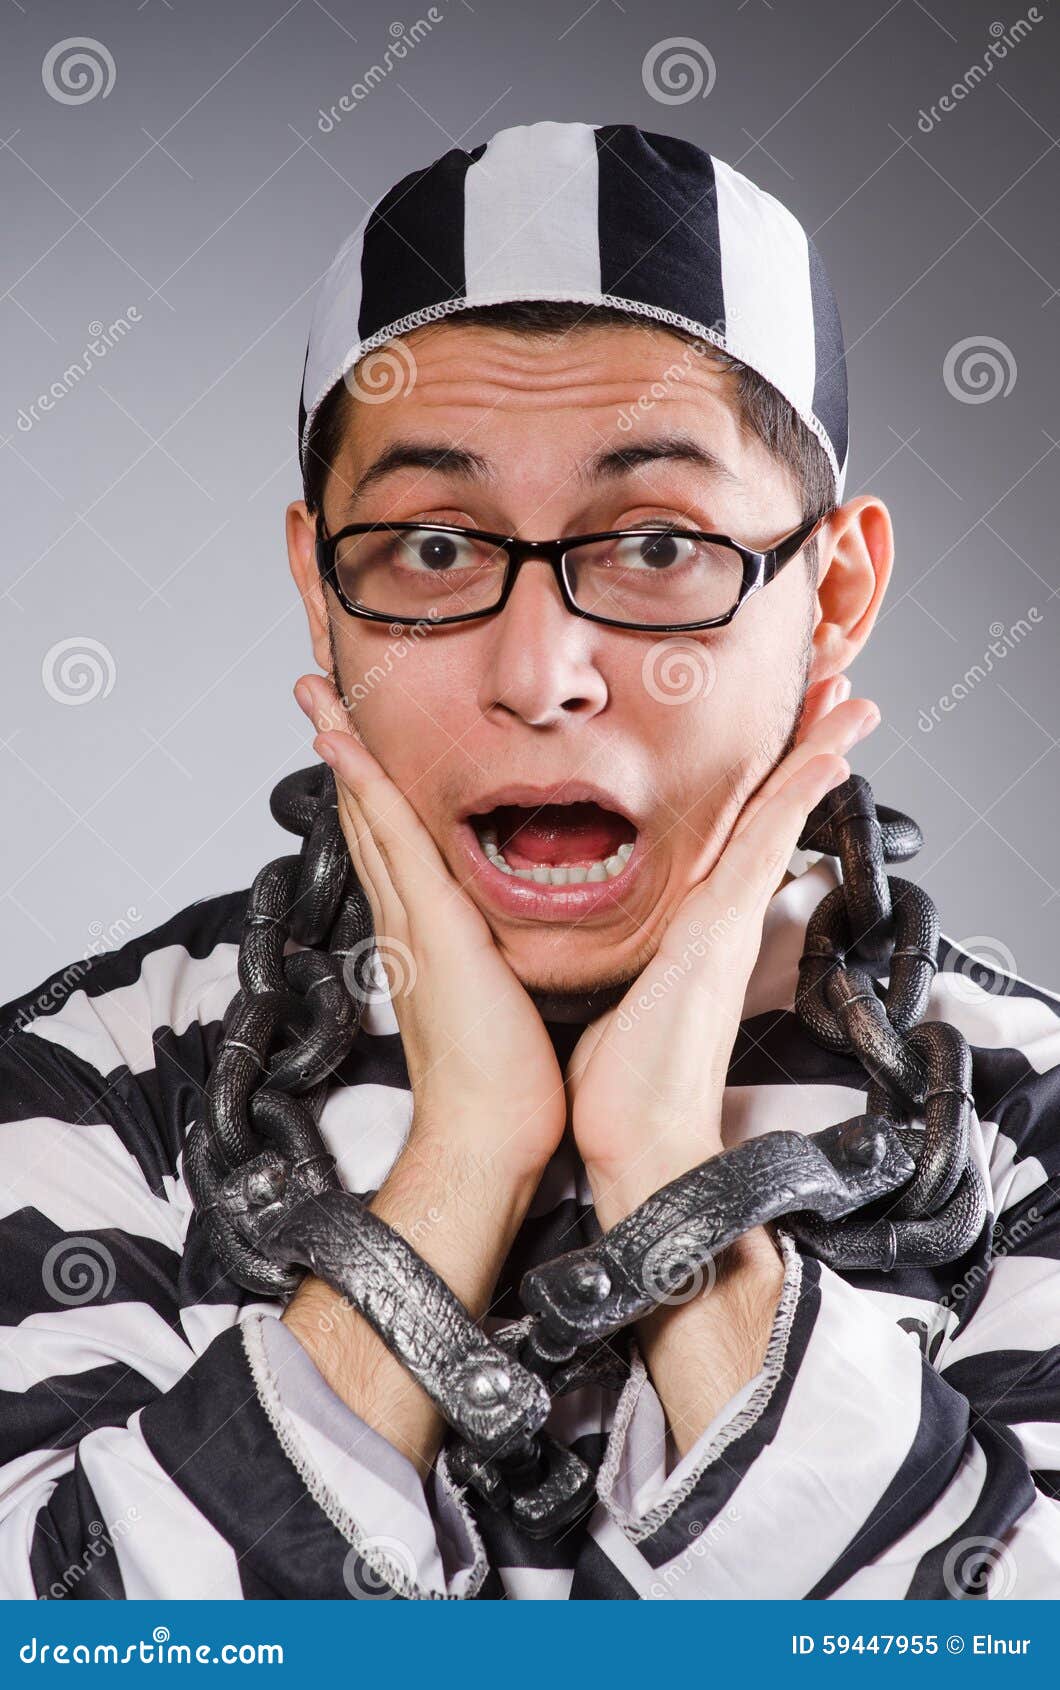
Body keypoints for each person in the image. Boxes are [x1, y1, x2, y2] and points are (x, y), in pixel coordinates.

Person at [2, 121, 1059, 1602]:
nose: (543, 670)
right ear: (321, 590)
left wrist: (673, 1188)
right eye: (435, 547)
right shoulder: (85, 1088)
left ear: (835, 592)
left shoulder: (1029, 1131)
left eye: (656, 544)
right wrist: (460, 1165)